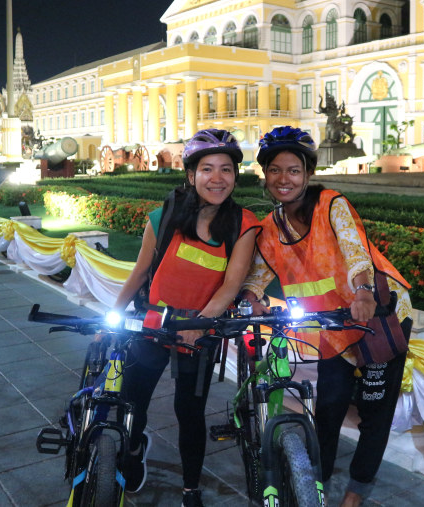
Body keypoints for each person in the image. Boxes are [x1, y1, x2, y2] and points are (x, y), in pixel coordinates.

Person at [240, 126, 414, 507]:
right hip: (332, 326)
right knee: (330, 405)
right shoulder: (269, 227)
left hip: (378, 316)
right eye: (274, 170)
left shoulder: (331, 204)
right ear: (265, 175)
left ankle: (356, 493)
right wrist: (251, 295)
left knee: (374, 409)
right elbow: (259, 272)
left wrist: (364, 291)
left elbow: (355, 252)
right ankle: (313, 484)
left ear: (308, 174)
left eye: (293, 170)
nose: (283, 179)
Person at [110, 129, 259, 507]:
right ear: (190, 174)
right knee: (133, 400)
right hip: (153, 324)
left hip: (199, 330)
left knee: (189, 412)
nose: (217, 178)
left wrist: (200, 325)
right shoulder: (164, 217)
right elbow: (141, 272)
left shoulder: (243, 224)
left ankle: (191, 488)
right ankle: (132, 449)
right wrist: (110, 316)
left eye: (226, 169)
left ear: (234, 177)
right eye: (207, 169)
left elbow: (230, 285)